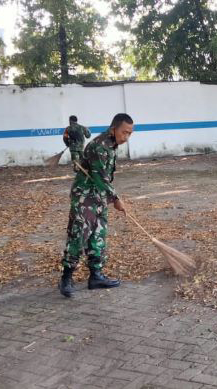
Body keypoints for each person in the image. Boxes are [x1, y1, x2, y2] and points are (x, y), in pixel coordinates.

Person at [59, 113, 134, 298]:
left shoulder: (111, 144)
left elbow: (104, 178)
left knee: (98, 235)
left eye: (130, 133)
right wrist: (115, 198)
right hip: (85, 197)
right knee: (79, 235)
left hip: (99, 196)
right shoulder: (99, 146)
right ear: (113, 129)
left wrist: (109, 197)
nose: (126, 137)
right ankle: (66, 278)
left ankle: (96, 276)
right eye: (124, 132)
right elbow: (100, 176)